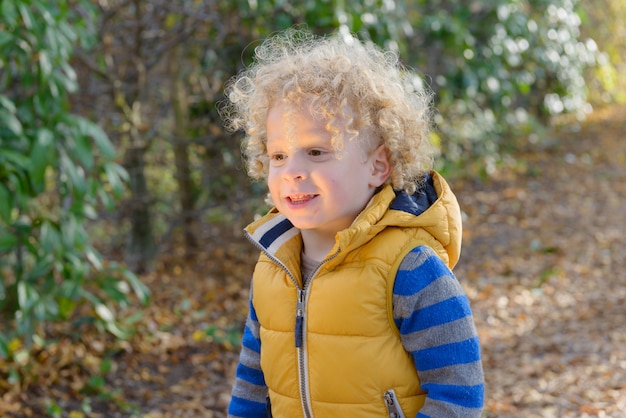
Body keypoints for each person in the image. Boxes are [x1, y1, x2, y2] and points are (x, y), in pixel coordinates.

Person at [221, 28, 484, 418]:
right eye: (278, 156)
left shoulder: (410, 269)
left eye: (316, 151)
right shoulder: (272, 268)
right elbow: (251, 387)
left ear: (377, 165)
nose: (292, 171)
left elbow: (459, 392)